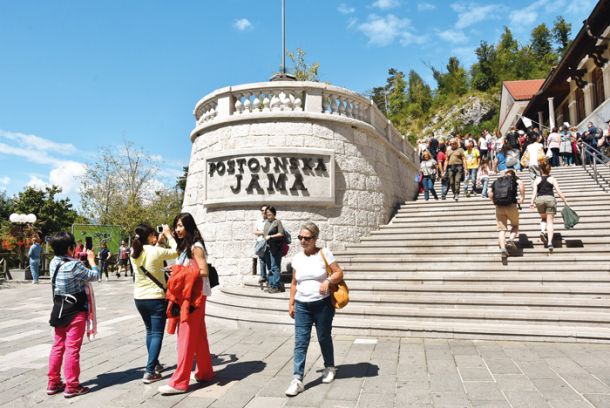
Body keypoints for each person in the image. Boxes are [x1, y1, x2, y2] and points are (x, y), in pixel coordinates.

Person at [285, 222, 344, 397]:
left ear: (315, 238)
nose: (303, 241)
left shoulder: (324, 253)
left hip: (322, 304)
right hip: (302, 305)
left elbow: (339, 272)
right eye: (300, 238)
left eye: (307, 238)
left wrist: (328, 281)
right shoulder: (297, 258)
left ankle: (329, 366)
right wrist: (291, 303)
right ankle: (297, 379)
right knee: (300, 342)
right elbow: (295, 283)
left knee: (323, 336)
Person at [158, 213, 213, 395]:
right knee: (198, 336)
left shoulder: (196, 247)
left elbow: (203, 271)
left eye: (180, 225)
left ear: (188, 226)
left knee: (186, 336)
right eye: (176, 226)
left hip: (193, 297)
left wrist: (180, 272)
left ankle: (180, 381)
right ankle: (204, 372)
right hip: (190, 295)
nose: (177, 229)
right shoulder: (185, 246)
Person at [47, 232, 99, 398]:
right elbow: (94, 276)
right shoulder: (74, 265)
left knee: (58, 346)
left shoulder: (53, 262)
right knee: (72, 349)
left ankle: (53, 382)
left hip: (59, 308)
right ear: (70, 248)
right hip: (75, 310)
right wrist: (92, 261)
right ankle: (72, 385)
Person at [131, 223, 178, 384]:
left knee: (149, 331)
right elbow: (176, 251)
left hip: (139, 298)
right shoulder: (156, 251)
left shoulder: (134, 252)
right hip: (156, 298)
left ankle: (155, 363)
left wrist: (158, 241)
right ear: (150, 235)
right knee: (157, 333)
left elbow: (150, 254)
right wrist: (169, 235)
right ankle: (150, 371)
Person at [529, 159, 568, 253]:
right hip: (550, 199)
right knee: (550, 222)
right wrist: (565, 201)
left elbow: (534, 192)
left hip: (540, 200)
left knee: (543, 218)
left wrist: (531, 202)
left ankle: (542, 231)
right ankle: (550, 243)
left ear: (541, 170)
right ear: (549, 170)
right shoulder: (552, 179)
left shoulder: (537, 179)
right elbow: (559, 192)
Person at [489, 169, 525, 263]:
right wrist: (522, 198)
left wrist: (493, 201)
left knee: (502, 229)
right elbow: (521, 185)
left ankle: (503, 249)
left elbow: (489, 192)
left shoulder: (497, 181)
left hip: (499, 207)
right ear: (513, 174)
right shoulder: (514, 179)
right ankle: (510, 240)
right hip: (511, 205)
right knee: (515, 225)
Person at [263, 206, 285, 293]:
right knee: (270, 267)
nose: (268, 214)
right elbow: (265, 235)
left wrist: (271, 236)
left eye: (269, 213)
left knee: (275, 267)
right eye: (266, 213)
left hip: (275, 247)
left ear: (274, 213)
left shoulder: (277, 222)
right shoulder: (266, 223)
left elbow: (281, 233)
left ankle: (276, 286)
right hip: (267, 247)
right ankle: (271, 285)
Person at [253, 204, 269, 285]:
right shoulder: (258, 221)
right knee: (262, 260)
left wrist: (262, 232)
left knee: (269, 260)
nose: (264, 212)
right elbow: (255, 231)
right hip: (260, 242)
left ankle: (270, 277)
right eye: (262, 210)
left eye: (266, 210)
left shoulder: (271, 220)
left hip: (269, 243)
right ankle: (263, 276)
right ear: (261, 212)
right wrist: (263, 232)